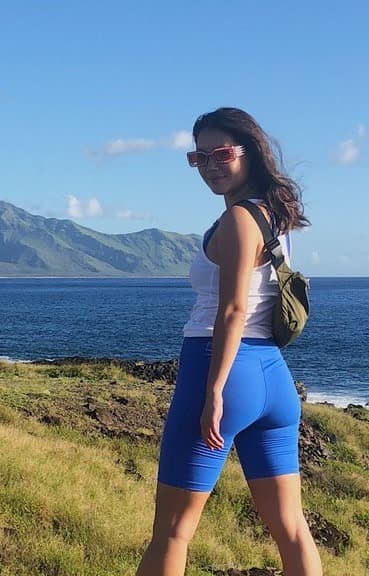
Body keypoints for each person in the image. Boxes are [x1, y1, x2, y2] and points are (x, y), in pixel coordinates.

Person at [136, 107, 322, 576]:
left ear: (249, 152)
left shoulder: (240, 219)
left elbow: (234, 310)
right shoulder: (274, 216)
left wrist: (214, 390)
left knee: (173, 532)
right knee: (292, 527)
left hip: (219, 369)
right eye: (199, 158)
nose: (211, 165)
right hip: (272, 379)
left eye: (221, 153)